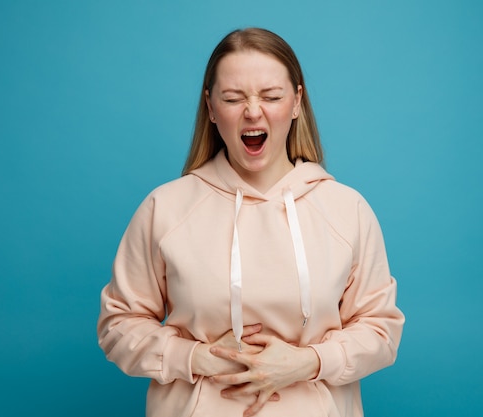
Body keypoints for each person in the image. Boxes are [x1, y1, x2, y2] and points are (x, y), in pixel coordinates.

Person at [97, 27, 404, 417]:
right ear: (210, 107)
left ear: (296, 102)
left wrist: (309, 362)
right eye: (232, 98)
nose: (253, 111)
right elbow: (118, 324)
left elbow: (381, 329)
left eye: (271, 96)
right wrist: (198, 357)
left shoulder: (347, 209)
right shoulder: (166, 207)